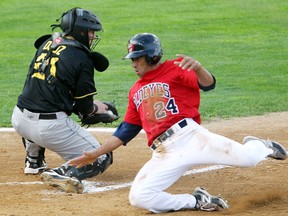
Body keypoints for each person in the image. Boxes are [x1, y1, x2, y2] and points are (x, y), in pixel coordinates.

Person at [69, 33, 287, 212]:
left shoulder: (176, 68)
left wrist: (199, 67)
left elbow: (208, 85)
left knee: (248, 159)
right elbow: (127, 130)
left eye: (138, 58)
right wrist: (96, 153)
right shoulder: (135, 90)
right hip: (165, 152)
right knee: (139, 198)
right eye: (132, 59)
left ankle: (262, 146)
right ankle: (196, 200)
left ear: (152, 56)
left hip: (191, 137)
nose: (134, 63)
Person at [11, 7, 113, 193]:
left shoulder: (47, 43)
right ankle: (63, 172)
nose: (93, 36)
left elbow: (54, 88)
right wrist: (97, 110)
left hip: (19, 120)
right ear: (80, 31)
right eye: (90, 32)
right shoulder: (83, 58)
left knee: (40, 101)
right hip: (49, 129)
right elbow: (84, 107)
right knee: (102, 156)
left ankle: (34, 160)